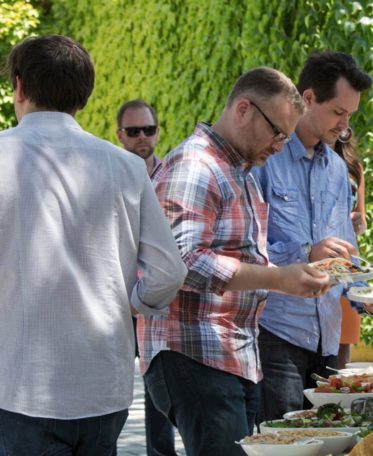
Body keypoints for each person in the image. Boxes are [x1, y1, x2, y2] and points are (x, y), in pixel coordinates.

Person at [0, 35, 187, 455]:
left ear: (19, 86)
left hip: (19, 384)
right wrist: (129, 303)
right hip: (102, 384)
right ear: (84, 95)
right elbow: (169, 272)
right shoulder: (125, 166)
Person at [138, 67, 332, 455]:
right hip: (194, 351)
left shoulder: (237, 170)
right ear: (243, 109)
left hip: (229, 354)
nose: (280, 146)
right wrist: (276, 279)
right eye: (277, 132)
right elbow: (182, 261)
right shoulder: (196, 165)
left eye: (287, 137)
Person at [253, 51, 373, 420]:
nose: (344, 127)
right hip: (276, 334)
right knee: (284, 444)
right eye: (338, 113)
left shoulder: (338, 171)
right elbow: (246, 251)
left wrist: (365, 295)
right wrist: (307, 251)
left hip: (328, 338)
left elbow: (346, 255)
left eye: (350, 116)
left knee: (327, 442)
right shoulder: (265, 160)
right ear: (307, 98)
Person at [116, 99, 177, 456]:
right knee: (113, 385)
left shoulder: (172, 176)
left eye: (149, 129)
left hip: (158, 299)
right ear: (120, 134)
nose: (143, 137)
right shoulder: (110, 173)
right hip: (121, 299)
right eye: (134, 131)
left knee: (158, 391)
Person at [334, 129, 367, 367]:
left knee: (342, 349)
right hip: (320, 258)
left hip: (348, 262)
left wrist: (357, 219)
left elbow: (362, 220)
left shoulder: (353, 167)